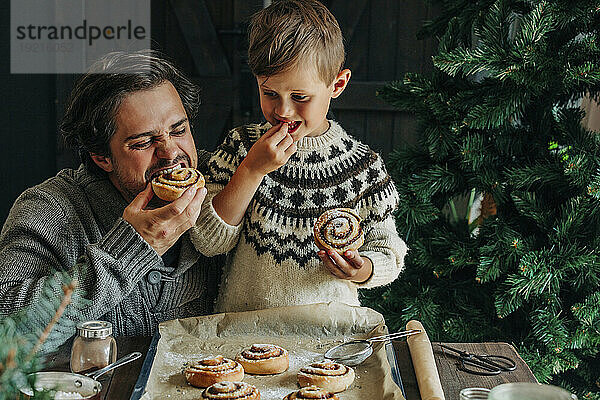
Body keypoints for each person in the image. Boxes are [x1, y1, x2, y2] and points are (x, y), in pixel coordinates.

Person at [189, 0, 407, 312]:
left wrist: (361, 269)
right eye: (270, 93)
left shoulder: (363, 168)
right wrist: (251, 170)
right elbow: (210, 242)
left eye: (300, 97)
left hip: (329, 337)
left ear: (338, 84)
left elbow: (388, 251)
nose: (283, 111)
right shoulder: (240, 148)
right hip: (246, 330)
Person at [0, 50, 219, 338]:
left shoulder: (222, 179)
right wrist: (133, 249)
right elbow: (8, 331)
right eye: (143, 142)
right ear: (101, 156)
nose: (171, 153)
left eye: (179, 130)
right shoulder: (48, 210)